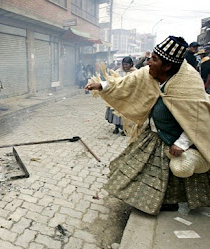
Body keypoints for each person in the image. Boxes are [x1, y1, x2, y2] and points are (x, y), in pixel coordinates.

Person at [85, 36, 210, 215]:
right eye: (150, 57)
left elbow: (198, 121)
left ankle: (169, 202)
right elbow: (124, 84)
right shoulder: (148, 73)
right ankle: (145, 198)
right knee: (139, 169)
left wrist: (182, 144)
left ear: (167, 66)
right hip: (153, 136)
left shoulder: (189, 84)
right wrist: (101, 85)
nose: (149, 62)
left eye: (154, 59)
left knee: (175, 175)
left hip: (174, 142)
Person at [105, 57, 136, 135]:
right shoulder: (117, 72)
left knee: (126, 114)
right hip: (118, 96)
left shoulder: (136, 72)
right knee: (116, 112)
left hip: (129, 97)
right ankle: (116, 127)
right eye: (123, 64)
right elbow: (112, 82)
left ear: (131, 64)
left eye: (127, 64)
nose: (125, 66)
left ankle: (125, 129)